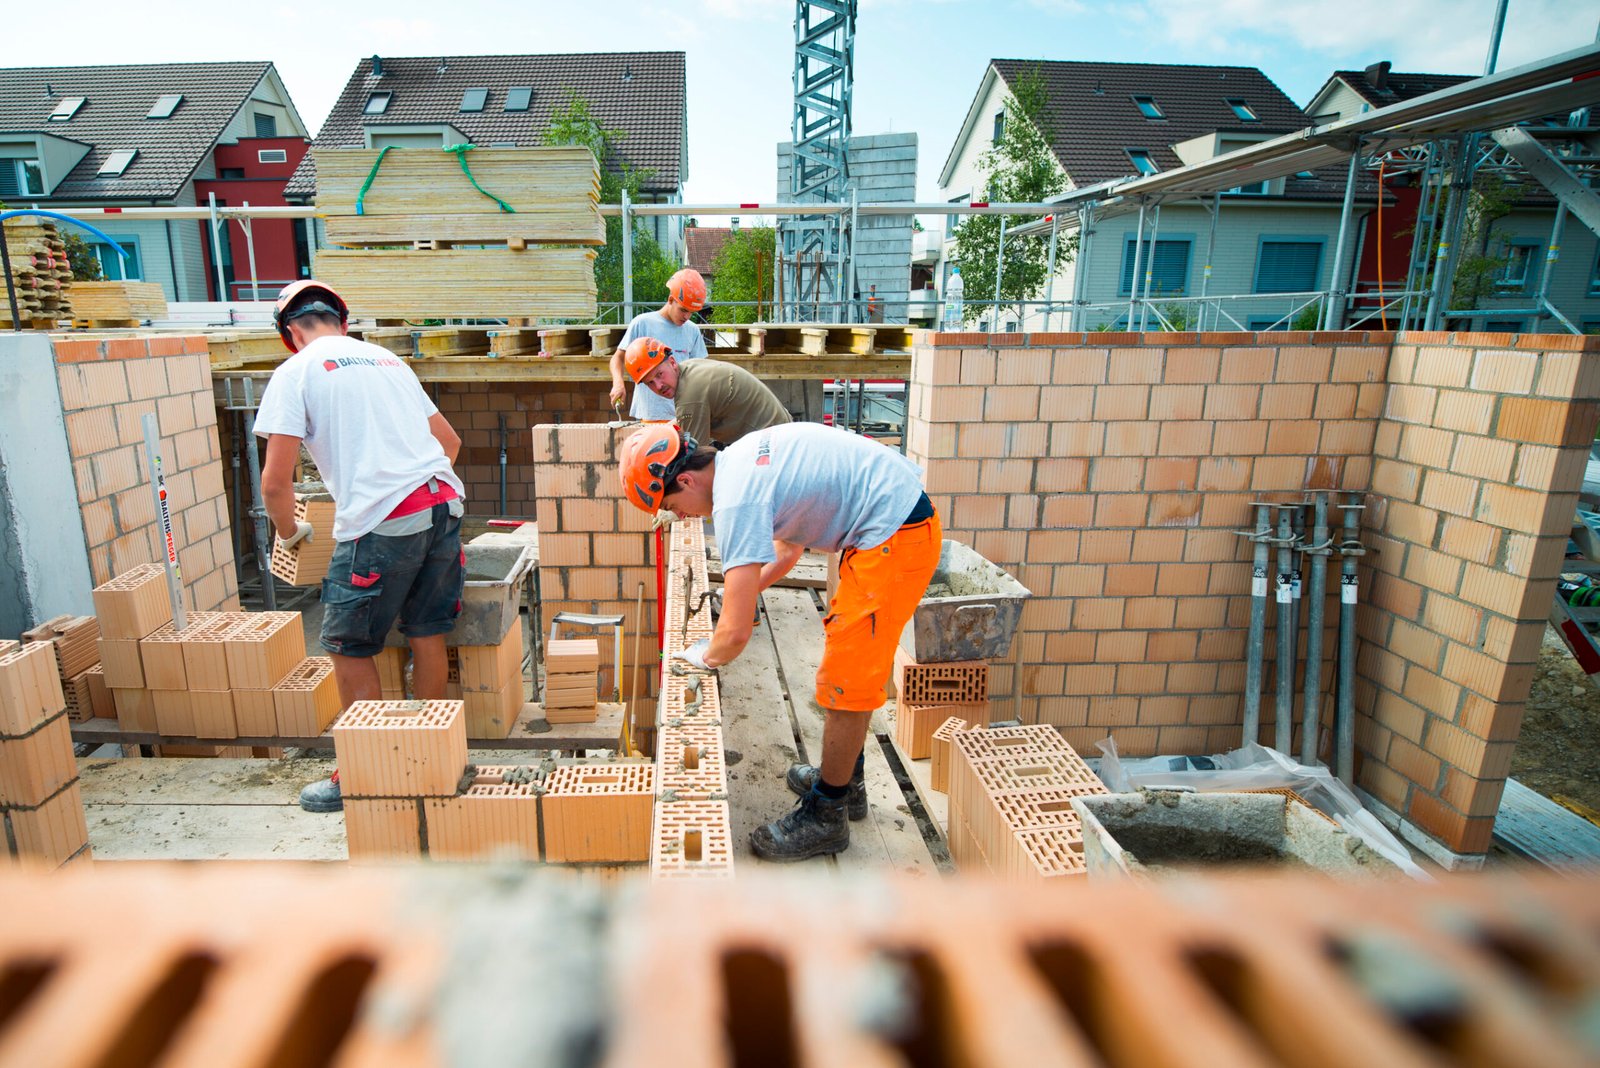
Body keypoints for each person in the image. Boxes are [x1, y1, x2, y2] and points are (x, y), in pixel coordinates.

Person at [619, 422, 941, 862]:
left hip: (894, 536)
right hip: (887, 526)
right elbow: (786, 553)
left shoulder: (735, 499)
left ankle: (827, 814)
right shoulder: (741, 460)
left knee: (846, 683)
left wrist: (702, 654)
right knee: (847, 667)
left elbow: (733, 635)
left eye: (674, 506)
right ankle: (849, 781)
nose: (683, 517)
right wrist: (740, 595)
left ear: (687, 479)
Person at [255, 280, 466, 813]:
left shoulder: (294, 373)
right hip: (444, 503)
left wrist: (289, 535)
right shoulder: (386, 360)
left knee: (347, 642)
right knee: (426, 630)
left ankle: (363, 772)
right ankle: (431, 752)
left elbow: (275, 485)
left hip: (384, 519)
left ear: (289, 335)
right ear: (343, 322)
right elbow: (451, 443)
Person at [623, 337, 791, 448]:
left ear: (672, 362)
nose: (658, 386)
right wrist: (662, 432)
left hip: (773, 445)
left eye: (659, 375)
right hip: (777, 431)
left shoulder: (690, 395)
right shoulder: (689, 369)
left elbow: (698, 456)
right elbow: (688, 416)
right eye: (650, 383)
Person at [608, 268, 709, 420]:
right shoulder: (643, 324)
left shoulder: (692, 331)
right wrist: (618, 383)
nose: (687, 316)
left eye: (691, 312)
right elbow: (618, 358)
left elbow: (701, 372)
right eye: (683, 310)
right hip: (650, 415)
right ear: (670, 299)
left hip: (681, 416)